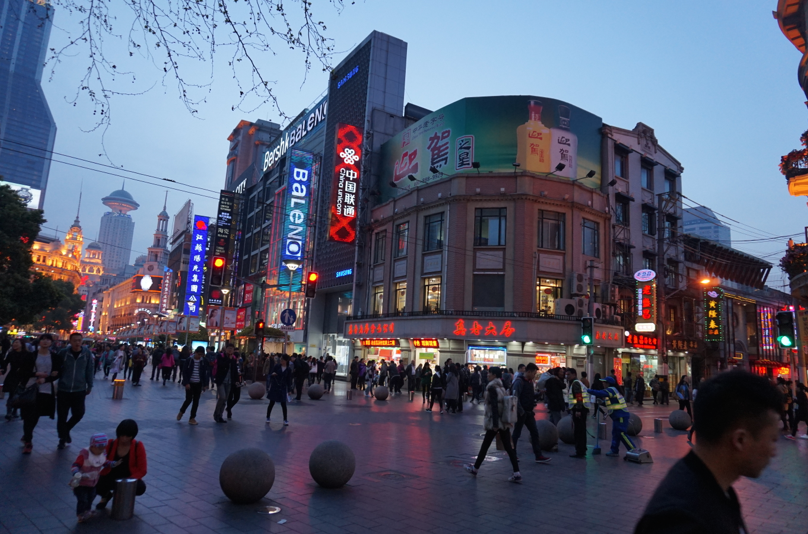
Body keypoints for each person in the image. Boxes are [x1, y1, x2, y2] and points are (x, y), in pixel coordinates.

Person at [634, 370, 782, 534]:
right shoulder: (679, 521)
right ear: (740, 440)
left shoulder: (718, 488)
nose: (774, 452)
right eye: (772, 440)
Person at [464, 367, 522, 482]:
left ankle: (475, 469)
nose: (487, 375)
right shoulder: (502, 386)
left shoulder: (492, 388)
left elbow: (495, 406)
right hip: (503, 421)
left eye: (490, 373)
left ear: (494, 375)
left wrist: (495, 423)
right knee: (508, 447)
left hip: (494, 421)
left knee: (485, 446)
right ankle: (517, 472)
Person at [18, 334, 62, 454]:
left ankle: (27, 435)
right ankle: (28, 441)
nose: (45, 341)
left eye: (48, 339)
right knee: (28, 416)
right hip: (31, 388)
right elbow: (23, 372)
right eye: (43, 339)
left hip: (45, 390)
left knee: (36, 415)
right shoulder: (31, 356)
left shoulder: (55, 357)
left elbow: (56, 374)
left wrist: (46, 379)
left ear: (51, 342)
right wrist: (37, 374)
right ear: (39, 342)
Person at [95, 419, 147, 511]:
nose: (124, 439)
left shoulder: (138, 446)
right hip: (111, 475)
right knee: (94, 482)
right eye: (122, 435)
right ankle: (106, 496)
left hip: (128, 476)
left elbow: (142, 469)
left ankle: (122, 497)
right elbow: (100, 460)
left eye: (128, 436)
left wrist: (128, 480)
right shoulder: (111, 443)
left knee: (140, 487)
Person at [57, 333, 94, 450]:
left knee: (79, 413)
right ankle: (62, 439)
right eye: (75, 340)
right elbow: (57, 368)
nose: (77, 343)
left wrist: (90, 385)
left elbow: (89, 370)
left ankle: (66, 430)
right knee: (62, 415)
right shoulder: (63, 353)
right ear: (70, 341)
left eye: (79, 340)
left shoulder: (86, 353)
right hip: (64, 388)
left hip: (79, 388)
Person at [70, 433, 117, 523]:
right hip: (81, 483)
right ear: (92, 446)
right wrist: (77, 473)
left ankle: (87, 511)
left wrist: (112, 464)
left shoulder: (101, 454)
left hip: (93, 482)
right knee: (82, 499)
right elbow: (75, 465)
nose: (101, 450)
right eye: (99, 448)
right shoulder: (84, 455)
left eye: (103, 448)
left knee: (91, 497)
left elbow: (104, 462)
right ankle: (80, 514)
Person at [512, 363, 552, 463]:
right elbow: (515, 398)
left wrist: (539, 393)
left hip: (529, 413)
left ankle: (538, 455)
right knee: (516, 434)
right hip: (522, 413)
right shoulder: (519, 382)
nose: (535, 375)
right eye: (534, 373)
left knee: (534, 433)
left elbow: (530, 395)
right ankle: (512, 454)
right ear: (528, 372)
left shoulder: (530, 382)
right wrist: (521, 412)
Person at [587, 375, 636, 457]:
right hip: (618, 416)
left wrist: (588, 390)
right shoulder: (613, 391)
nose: (603, 384)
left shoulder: (611, 390)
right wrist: (602, 403)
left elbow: (600, 393)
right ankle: (614, 450)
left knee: (621, 433)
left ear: (608, 383)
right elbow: (610, 404)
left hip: (620, 416)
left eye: (604, 382)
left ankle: (633, 450)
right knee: (616, 433)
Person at [177, 347, 209, 425]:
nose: (200, 356)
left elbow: (204, 373)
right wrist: (186, 383)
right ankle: (181, 411)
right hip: (190, 383)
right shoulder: (189, 360)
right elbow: (185, 372)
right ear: (195, 352)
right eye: (199, 354)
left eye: (202, 354)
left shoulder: (203, 361)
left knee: (196, 401)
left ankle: (192, 418)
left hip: (198, 383)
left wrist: (205, 384)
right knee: (188, 399)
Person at [2, 338, 29, 420]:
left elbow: (29, 366)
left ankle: (15, 410)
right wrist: (3, 370)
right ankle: (9, 412)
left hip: (22, 376)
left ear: (22, 344)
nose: (15, 344)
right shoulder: (11, 354)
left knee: (19, 394)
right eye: (14, 343)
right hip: (12, 376)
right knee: (11, 394)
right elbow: (5, 364)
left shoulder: (27, 354)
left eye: (17, 342)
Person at [213, 344, 238, 423]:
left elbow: (234, 370)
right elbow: (221, 365)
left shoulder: (234, 358)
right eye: (229, 348)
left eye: (232, 348)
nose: (230, 350)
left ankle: (220, 415)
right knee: (222, 397)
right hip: (221, 380)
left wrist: (236, 380)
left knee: (225, 399)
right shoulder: (221, 356)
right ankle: (216, 413)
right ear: (225, 349)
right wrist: (228, 359)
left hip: (229, 381)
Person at [569, 374, 591, 458]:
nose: (567, 376)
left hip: (579, 410)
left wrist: (578, 409)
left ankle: (580, 451)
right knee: (580, 430)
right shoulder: (578, 382)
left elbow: (578, 396)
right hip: (582, 409)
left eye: (568, 374)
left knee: (579, 431)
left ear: (573, 375)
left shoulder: (576, 383)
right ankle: (582, 450)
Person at [267, 354, 292, 425]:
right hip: (275, 386)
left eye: (282, 360)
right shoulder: (277, 366)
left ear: (286, 361)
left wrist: (289, 390)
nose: (281, 361)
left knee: (283, 404)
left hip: (283, 387)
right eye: (280, 359)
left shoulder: (288, 369)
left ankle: (285, 419)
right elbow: (271, 374)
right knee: (272, 402)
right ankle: (268, 417)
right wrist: (273, 374)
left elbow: (288, 380)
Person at [226, 352, 243, 419]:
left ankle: (228, 408)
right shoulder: (231, 363)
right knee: (230, 397)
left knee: (236, 397)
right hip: (231, 382)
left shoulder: (239, 363)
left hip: (238, 382)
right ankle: (229, 411)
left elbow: (241, 371)